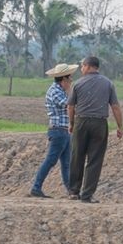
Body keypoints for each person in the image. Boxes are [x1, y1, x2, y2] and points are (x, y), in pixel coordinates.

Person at [66, 55, 123, 203]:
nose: (81, 68)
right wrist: (119, 126)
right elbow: (115, 107)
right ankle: (87, 194)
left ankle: (73, 191)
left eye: (82, 66)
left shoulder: (77, 84)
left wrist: (71, 123)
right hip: (99, 124)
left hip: (81, 122)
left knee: (77, 156)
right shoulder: (108, 83)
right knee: (95, 159)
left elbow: (71, 106)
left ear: (89, 66)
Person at [29, 62, 76, 198]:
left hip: (63, 130)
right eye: (70, 78)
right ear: (64, 79)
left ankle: (70, 190)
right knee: (51, 160)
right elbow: (69, 105)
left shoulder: (59, 90)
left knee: (65, 163)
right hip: (58, 131)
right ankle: (36, 187)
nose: (71, 81)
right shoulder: (55, 91)